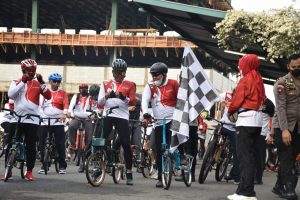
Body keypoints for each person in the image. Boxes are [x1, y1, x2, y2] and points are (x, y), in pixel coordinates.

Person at [3, 58, 51, 181]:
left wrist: (42, 83)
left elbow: (48, 96)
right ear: (23, 70)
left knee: (31, 145)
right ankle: (7, 172)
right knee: (10, 143)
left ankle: (29, 171)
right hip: (17, 119)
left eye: (33, 70)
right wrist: (22, 82)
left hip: (32, 120)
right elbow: (11, 95)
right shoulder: (16, 82)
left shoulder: (37, 83)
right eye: (29, 70)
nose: (31, 73)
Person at [227, 54, 265, 200]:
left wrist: (230, 109)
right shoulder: (258, 78)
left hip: (246, 120)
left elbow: (236, 101)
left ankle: (246, 193)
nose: (239, 67)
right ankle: (243, 190)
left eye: (241, 64)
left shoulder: (246, 79)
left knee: (244, 158)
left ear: (246, 65)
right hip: (257, 120)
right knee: (251, 156)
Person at [98, 58, 136, 185]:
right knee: (101, 141)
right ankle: (100, 167)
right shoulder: (105, 83)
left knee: (126, 143)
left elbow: (132, 102)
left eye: (122, 73)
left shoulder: (130, 84)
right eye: (117, 73)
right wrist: (108, 96)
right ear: (113, 72)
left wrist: (123, 97)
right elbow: (100, 102)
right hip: (108, 114)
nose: (120, 76)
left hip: (122, 116)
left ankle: (129, 172)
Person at [141, 62, 179, 188]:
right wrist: (146, 113)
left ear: (163, 74)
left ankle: (181, 156)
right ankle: (160, 175)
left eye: (156, 75)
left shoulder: (173, 83)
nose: (154, 77)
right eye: (152, 75)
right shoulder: (150, 86)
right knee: (157, 148)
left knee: (172, 142)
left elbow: (181, 100)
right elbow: (145, 100)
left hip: (172, 119)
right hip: (157, 121)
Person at [271, 53, 300, 200]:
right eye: (293, 67)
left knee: (291, 157)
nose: (296, 69)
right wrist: (284, 130)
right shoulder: (282, 83)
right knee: (286, 157)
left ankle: (277, 186)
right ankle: (289, 189)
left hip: (298, 128)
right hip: (283, 127)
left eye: (299, 67)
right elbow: (280, 108)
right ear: (288, 66)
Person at [38, 73, 69, 174]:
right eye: (54, 81)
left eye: (58, 82)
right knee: (42, 143)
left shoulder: (63, 93)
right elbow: (40, 107)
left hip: (58, 121)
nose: (56, 83)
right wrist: (41, 117)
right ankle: (43, 165)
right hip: (45, 121)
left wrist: (64, 114)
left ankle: (62, 165)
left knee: (60, 144)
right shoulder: (44, 92)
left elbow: (66, 106)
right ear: (50, 81)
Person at [67, 83, 93, 173]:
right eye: (81, 88)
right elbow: (71, 106)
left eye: (85, 88)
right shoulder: (76, 96)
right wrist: (70, 113)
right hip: (77, 117)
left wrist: (91, 116)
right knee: (71, 126)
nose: (83, 90)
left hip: (87, 119)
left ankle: (86, 149)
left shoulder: (90, 97)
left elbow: (92, 108)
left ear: (87, 89)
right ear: (79, 89)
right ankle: (73, 146)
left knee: (90, 136)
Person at [216, 92, 240, 185]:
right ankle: (211, 152)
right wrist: (222, 103)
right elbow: (215, 98)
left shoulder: (241, 101)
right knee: (215, 134)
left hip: (234, 129)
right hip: (224, 125)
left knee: (236, 153)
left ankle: (236, 177)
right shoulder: (226, 95)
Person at [254, 97, 274, 185]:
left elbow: (274, 119)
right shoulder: (253, 99)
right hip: (251, 131)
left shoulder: (269, 104)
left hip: (263, 133)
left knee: (259, 157)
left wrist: (271, 134)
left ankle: (258, 178)